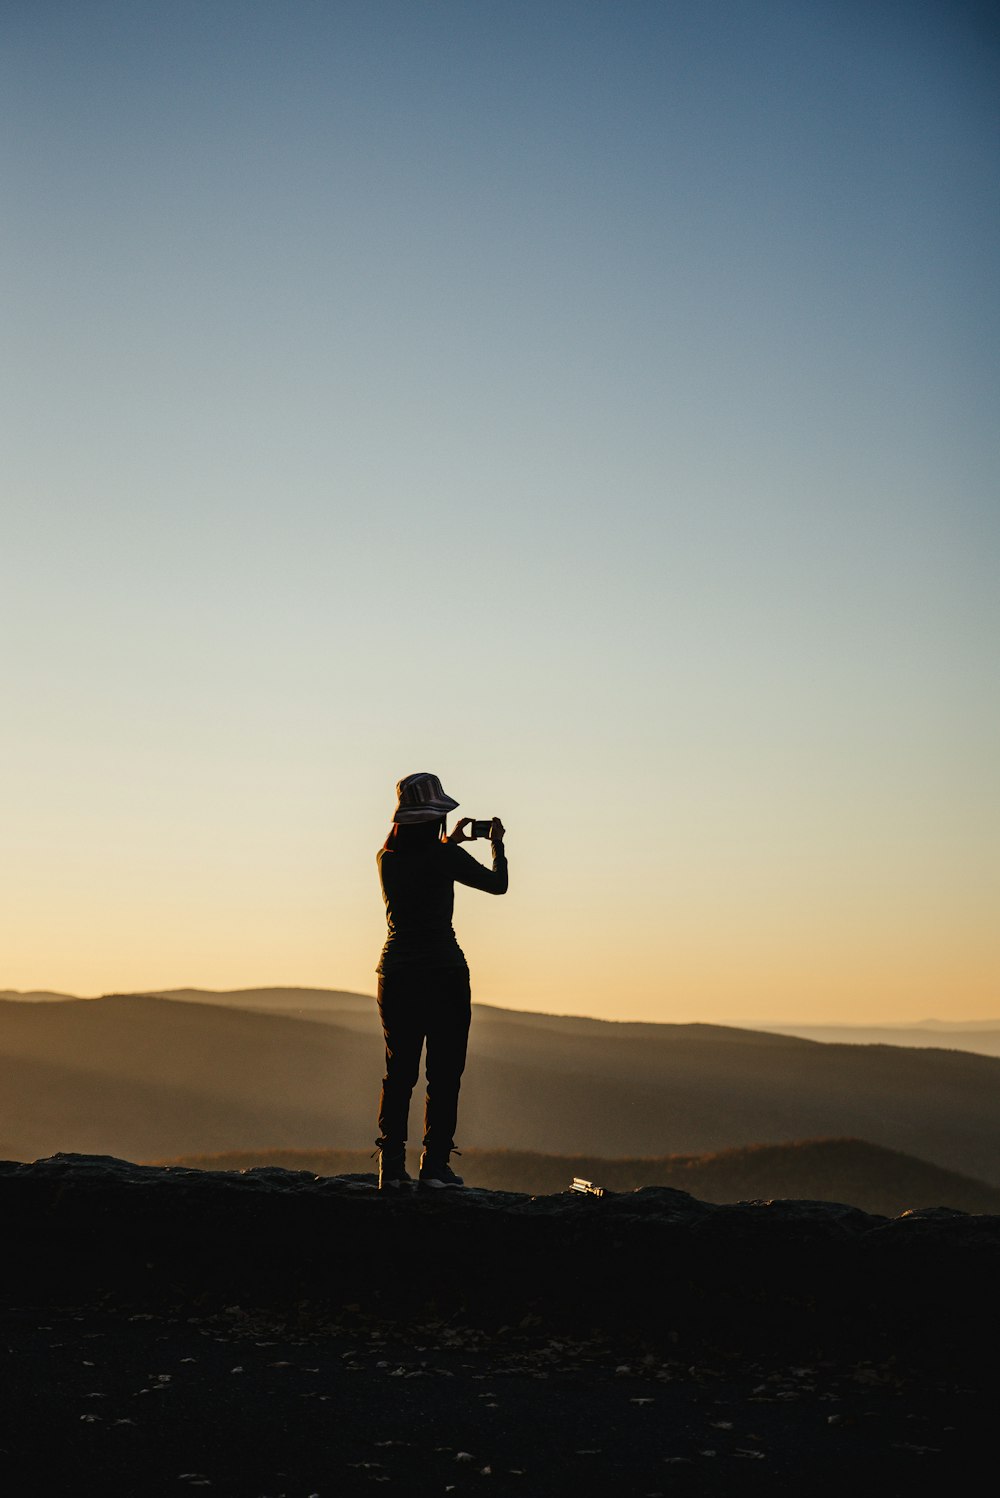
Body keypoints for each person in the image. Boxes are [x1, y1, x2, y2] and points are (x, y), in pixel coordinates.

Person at [373, 771, 508, 1190]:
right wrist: (495, 843)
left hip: (396, 974)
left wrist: (450, 844)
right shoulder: (445, 857)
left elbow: (422, 863)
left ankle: (391, 1168)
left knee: (399, 1074)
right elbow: (498, 885)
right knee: (444, 1074)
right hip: (444, 973)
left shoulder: (386, 858)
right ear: (436, 818)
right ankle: (434, 1168)